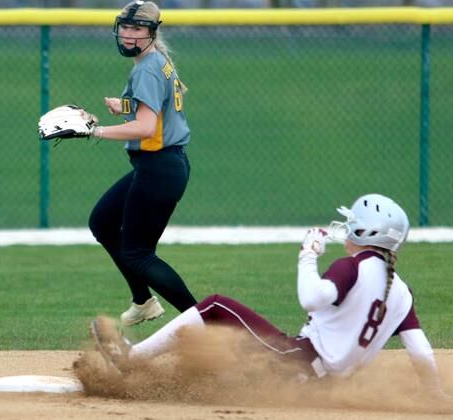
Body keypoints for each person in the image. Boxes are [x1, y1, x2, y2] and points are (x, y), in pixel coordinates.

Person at [92, 194, 448, 399]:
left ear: (368, 231)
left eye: (355, 221)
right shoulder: (402, 291)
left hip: (298, 365)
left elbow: (313, 298)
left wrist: (308, 253)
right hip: (326, 388)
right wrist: (434, 395)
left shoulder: (351, 267)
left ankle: (131, 358)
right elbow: (420, 351)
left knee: (216, 304)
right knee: (224, 372)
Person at [88, 0, 198, 326]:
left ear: (152, 33)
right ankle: (143, 301)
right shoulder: (158, 61)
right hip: (160, 166)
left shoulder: (148, 67)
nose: (127, 34)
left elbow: (147, 127)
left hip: (159, 168)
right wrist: (124, 105)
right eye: (124, 27)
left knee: (138, 253)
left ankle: (207, 323)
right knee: (103, 222)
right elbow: (160, 106)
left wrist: (96, 131)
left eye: (137, 29)